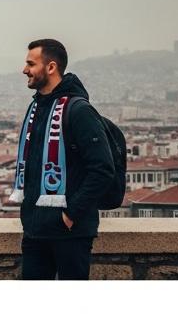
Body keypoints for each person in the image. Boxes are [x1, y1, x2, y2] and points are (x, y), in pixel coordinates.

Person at [13, 39, 116, 280]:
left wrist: (70, 215)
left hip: (70, 233)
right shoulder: (37, 108)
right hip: (36, 232)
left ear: (51, 67)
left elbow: (102, 169)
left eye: (30, 63)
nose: (24, 69)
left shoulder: (78, 110)